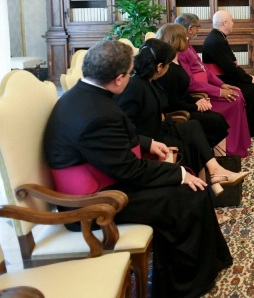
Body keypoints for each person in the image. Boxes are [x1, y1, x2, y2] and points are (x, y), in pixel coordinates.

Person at [43, 40, 232, 298]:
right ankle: (183, 287)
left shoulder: (86, 95)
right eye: (129, 73)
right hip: (93, 204)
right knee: (186, 195)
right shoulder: (96, 115)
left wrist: (148, 143)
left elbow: (117, 139)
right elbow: (129, 171)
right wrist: (178, 174)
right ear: (119, 78)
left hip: (107, 182)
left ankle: (208, 265)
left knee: (188, 188)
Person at [116, 38, 248, 192]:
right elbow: (125, 128)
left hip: (161, 127)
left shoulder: (150, 79)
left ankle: (215, 172)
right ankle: (206, 188)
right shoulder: (134, 87)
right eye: (167, 65)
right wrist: (150, 143)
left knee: (193, 127)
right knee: (190, 142)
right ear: (159, 67)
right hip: (150, 137)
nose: (169, 68)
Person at [174, 14, 252, 157]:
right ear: (190, 29)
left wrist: (221, 85)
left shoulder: (188, 45)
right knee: (234, 99)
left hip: (208, 86)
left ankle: (240, 145)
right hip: (199, 93)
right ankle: (231, 149)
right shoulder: (181, 51)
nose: (198, 29)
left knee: (238, 94)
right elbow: (190, 83)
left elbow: (204, 69)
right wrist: (218, 92)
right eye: (198, 26)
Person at [154, 24, 229, 151]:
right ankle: (208, 156)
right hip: (176, 112)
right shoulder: (167, 68)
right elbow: (172, 102)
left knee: (217, 118)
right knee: (215, 120)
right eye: (185, 37)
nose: (188, 39)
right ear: (177, 40)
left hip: (185, 105)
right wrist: (196, 106)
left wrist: (199, 101)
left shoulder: (176, 61)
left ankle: (216, 157)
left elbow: (183, 91)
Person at [203, 11, 254, 137]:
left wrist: (249, 77)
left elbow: (230, 66)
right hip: (220, 80)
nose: (233, 23)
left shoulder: (218, 36)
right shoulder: (216, 41)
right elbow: (230, 68)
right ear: (225, 23)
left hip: (224, 75)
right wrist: (249, 79)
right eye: (232, 20)